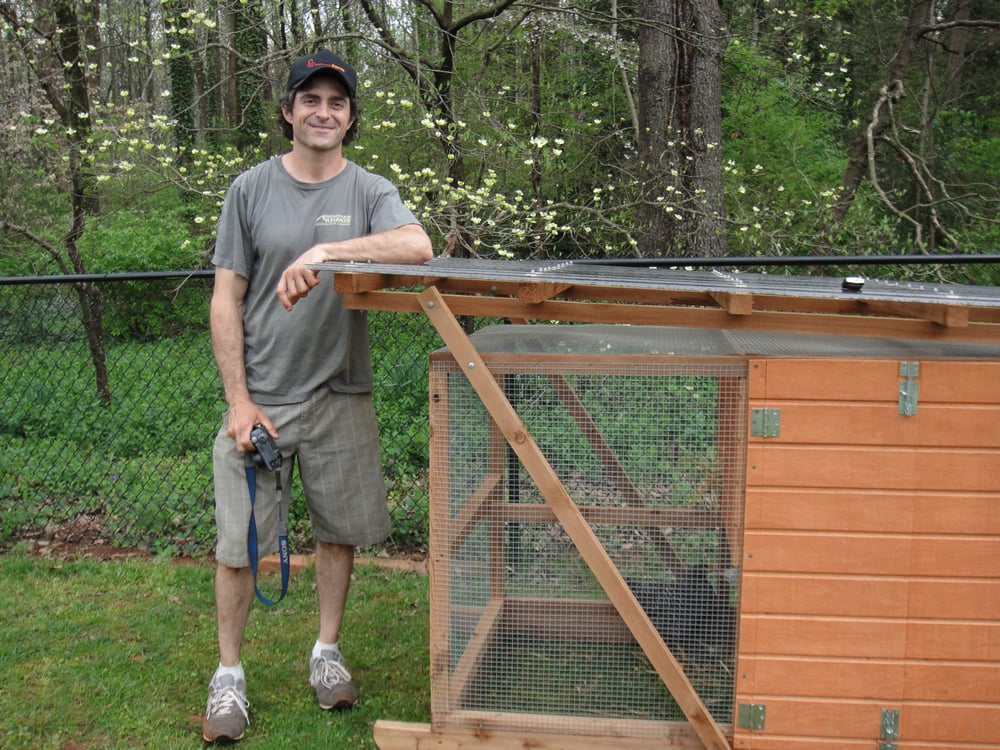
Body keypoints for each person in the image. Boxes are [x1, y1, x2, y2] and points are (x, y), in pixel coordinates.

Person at [203, 49, 433, 743]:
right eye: (310, 100)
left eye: (336, 101)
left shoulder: (369, 190)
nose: (323, 112)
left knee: (339, 535)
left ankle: (326, 653)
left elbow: (418, 246)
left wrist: (325, 252)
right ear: (288, 112)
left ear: (351, 116)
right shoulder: (249, 190)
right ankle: (229, 676)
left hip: (341, 395)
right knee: (238, 545)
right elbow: (225, 300)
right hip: (263, 399)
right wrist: (239, 402)